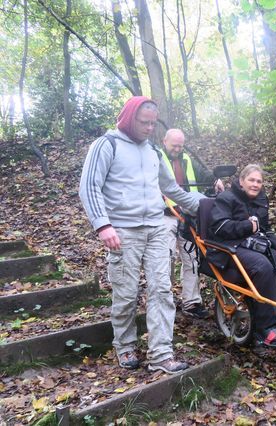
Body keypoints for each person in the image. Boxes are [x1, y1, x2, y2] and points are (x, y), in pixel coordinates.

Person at [79, 96, 205, 374]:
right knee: (126, 293)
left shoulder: (153, 152)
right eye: (144, 122)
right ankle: (125, 346)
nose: (149, 128)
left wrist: (206, 204)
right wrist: (103, 225)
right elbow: (89, 187)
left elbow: (172, 190)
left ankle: (161, 354)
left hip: (157, 229)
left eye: (152, 123)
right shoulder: (106, 145)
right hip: (122, 231)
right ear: (129, 117)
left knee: (162, 289)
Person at [207, 164, 276, 348]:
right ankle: (264, 327)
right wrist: (246, 226)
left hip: (253, 245)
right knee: (263, 266)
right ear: (241, 181)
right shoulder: (226, 198)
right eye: (251, 180)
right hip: (228, 247)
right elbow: (218, 227)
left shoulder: (260, 199)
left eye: (259, 181)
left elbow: (265, 229)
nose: (255, 184)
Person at [160, 128, 224, 320]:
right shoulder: (155, 159)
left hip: (188, 216)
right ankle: (163, 299)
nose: (177, 149)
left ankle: (191, 302)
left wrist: (215, 180)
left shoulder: (186, 159)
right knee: (165, 259)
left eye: (180, 146)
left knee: (192, 259)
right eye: (174, 145)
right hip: (165, 216)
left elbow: (203, 173)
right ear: (164, 141)